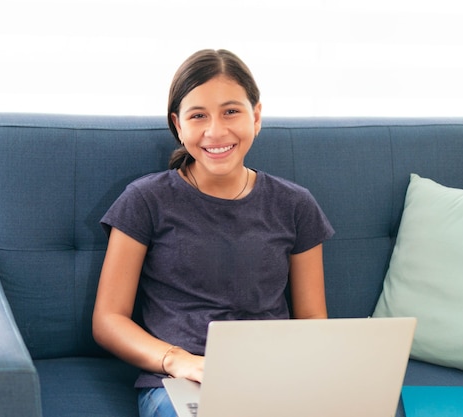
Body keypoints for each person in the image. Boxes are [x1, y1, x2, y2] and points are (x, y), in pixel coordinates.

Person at [92, 49, 334, 417]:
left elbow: (312, 319)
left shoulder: (295, 204)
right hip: (182, 381)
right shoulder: (145, 199)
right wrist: (178, 361)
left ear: (256, 116)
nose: (215, 131)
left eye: (231, 111)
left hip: (272, 377)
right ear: (178, 124)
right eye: (198, 116)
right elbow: (109, 320)